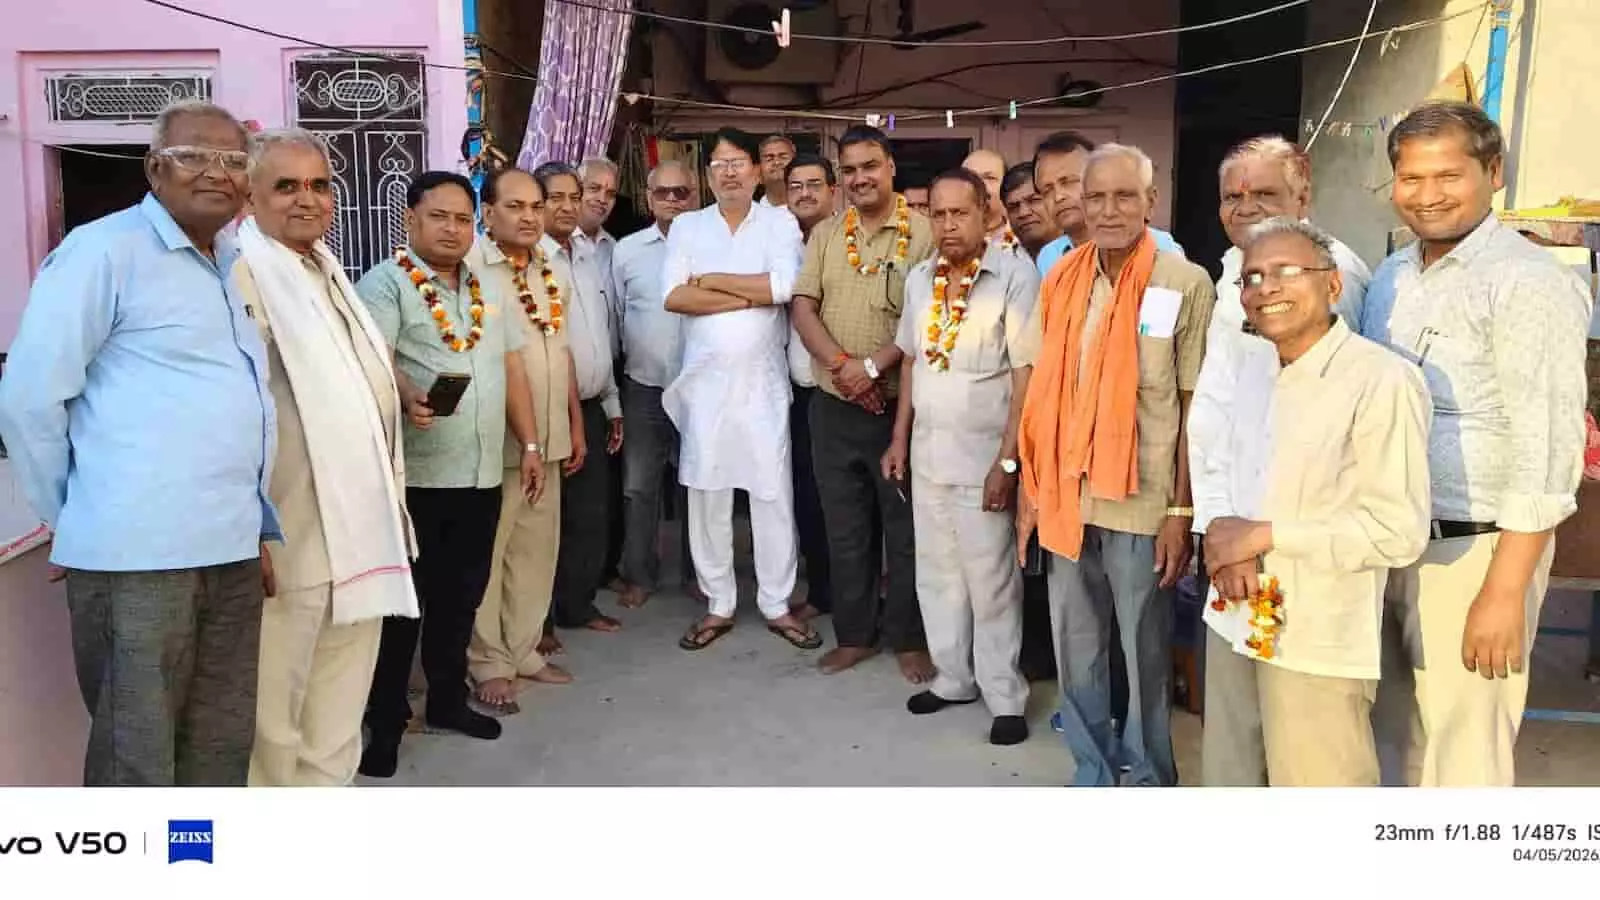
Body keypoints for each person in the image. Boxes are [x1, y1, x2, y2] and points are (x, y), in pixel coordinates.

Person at [0, 100, 275, 786]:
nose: (216, 172)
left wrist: (255, 526)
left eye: (233, 160)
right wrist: (73, 520)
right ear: (155, 169)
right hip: (136, 557)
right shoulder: (103, 251)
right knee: (137, 756)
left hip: (230, 548)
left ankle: (199, 851)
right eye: (193, 156)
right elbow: (30, 398)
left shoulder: (231, 261)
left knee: (219, 745)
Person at [1360, 101, 1591, 787]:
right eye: (1411, 178)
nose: (1427, 195)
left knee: (1465, 758)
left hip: (1474, 552)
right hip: (1391, 546)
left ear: (1493, 173)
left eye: (1448, 175)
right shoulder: (1393, 276)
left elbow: (1548, 447)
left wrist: (1504, 590)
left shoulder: (1529, 281)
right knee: (1395, 744)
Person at [1198, 217, 1431, 786]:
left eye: (1286, 271)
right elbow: (1221, 456)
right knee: (1229, 780)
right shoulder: (1253, 367)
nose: (1266, 287)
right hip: (1235, 612)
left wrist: (1264, 536)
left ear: (1332, 284)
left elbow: (1398, 530)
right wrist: (1227, 541)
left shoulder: (1380, 380)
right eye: (1253, 277)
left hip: (1315, 632)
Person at [1017, 144, 1215, 787]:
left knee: (1144, 651)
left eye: (1124, 196)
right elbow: (1042, 388)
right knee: (1076, 649)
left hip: (1142, 499)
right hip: (1067, 496)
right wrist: (1031, 488)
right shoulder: (1061, 278)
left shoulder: (1184, 282)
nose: (1108, 210)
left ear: (1150, 202)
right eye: (1096, 197)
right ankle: (1093, 772)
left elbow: (1191, 404)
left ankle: (1151, 775)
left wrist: (1180, 510)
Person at [230, 129, 419, 786]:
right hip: (289, 534)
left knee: (338, 711)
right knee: (273, 718)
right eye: (286, 186)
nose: (306, 199)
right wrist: (244, 522)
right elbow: (228, 408)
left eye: (319, 185)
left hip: (359, 530)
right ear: (249, 198)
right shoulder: (240, 273)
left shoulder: (327, 271)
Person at [1190, 134, 1372, 786]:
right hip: (1233, 545)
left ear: (1304, 195)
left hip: (1298, 552)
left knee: (1309, 757)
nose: (1245, 207)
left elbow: (1313, 433)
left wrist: (1249, 540)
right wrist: (1217, 529)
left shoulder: (1330, 277)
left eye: (1264, 193)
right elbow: (1216, 416)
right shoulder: (1231, 273)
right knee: (1234, 746)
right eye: (1231, 196)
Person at [355, 171, 544, 778]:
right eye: (439, 216)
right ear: (410, 219)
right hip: (418, 477)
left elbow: (511, 367)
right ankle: (385, 724)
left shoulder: (487, 285)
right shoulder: (385, 284)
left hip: (482, 473)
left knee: (460, 599)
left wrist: (530, 443)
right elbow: (374, 359)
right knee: (403, 609)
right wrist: (407, 391)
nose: (453, 229)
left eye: (463, 219)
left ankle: (445, 701)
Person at [882, 169, 1039, 745]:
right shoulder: (920, 279)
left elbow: (1026, 375)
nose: (948, 225)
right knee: (937, 575)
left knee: (991, 583)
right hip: (928, 457)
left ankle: (1005, 696)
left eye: (960, 213)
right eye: (938, 213)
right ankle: (953, 679)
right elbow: (911, 361)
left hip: (983, 462)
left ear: (984, 213)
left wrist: (1008, 462)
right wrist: (899, 439)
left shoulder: (1015, 277)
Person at [661, 127, 819, 651]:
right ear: (708, 175)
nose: (729, 172)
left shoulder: (779, 222)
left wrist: (711, 280)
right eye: (719, 164)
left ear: (756, 170)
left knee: (772, 493)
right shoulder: (688, 226)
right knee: (707, 493)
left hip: (762, 386)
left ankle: (776, 603)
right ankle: (719, 602)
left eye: (738, 162)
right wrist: (751, 292)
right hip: (703, 386)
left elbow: (785, 287)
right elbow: (674, 296)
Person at [791, 125, 937, 683]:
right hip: (834, 407)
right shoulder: (827, 234)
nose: (859, 178)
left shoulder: (925, 233)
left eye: (869, 166)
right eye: (848, 169)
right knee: (845, 528)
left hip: (900, 411)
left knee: (905, 531)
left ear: (891, 166)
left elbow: (926, 320)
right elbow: (803, 307)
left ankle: (908, 638)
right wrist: (844, 369)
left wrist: (873, 368)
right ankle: (854, 635)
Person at [466, 167, 577, 717]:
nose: (530, 216)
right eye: (516, 206)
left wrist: (574, 423)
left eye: (537, 206)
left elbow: (562, 352)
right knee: (490, 554)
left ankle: (524, 650)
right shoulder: (470, 267)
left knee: (536, 551)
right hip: (497, 440)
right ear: (488, 213)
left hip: (550, 437)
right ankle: (488, 662)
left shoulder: (551, 267)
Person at [534, 161, 626, 634]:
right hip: (548, 408)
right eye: (557, 198)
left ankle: (577, 605)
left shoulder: (587, 256)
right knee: (546, 518)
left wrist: (611, 401)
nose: (569, 206)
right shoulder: (532, 260)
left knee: (590, 514)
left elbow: (598, 335)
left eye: (575, 197)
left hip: (591, 403)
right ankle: (539, 622)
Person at [614, 160, 699, 611]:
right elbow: (617, 315)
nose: (671, 200)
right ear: (649, 198)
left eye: (680, 192)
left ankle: (698, 574)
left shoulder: (712, 247)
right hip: (644, 387)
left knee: (697, 485)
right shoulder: (627, 251)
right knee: (639, 486)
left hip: (699, 387)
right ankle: (639, 575)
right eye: (662, 192)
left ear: (694, 195)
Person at [783, 153, 840, 622]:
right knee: (807, 496)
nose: (805, 193)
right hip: (794, 391)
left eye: (814, 184)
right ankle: (823, 591)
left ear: (833, 191)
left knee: (846, 500)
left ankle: (860, 593)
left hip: (841, 386)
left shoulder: (847, 239)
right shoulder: (778, 240)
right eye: (796, 186)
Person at [1032, 131, 1184, 277]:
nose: (1058, 196)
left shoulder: (1160, 249)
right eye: (1047, 190)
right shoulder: (1049, 258)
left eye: (1068, 182)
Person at [575, 157, 626, 592]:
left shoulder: (615, 248)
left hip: (611, 374)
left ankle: (604, 570)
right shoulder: (553, 247)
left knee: (608, 485)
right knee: (577, 494)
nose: (602, 199)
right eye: (593, 188)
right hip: (569, 385)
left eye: (610, 192)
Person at [1000, 162, 1059, 261]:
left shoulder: (1084, 255)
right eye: (1013, 207)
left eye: (1034, 200)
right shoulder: (1000, 263)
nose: (1023, 213)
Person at [961, 148, 1009, 243]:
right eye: (970, 177)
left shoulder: (1024, 238)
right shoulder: (948, 238)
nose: (979, 184)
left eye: (989, 178)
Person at [758, 134, 797, 208]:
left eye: (783, 157)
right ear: (759, 173)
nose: (777, 162)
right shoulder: (748, 213)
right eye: (769, 159)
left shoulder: (816, 211)